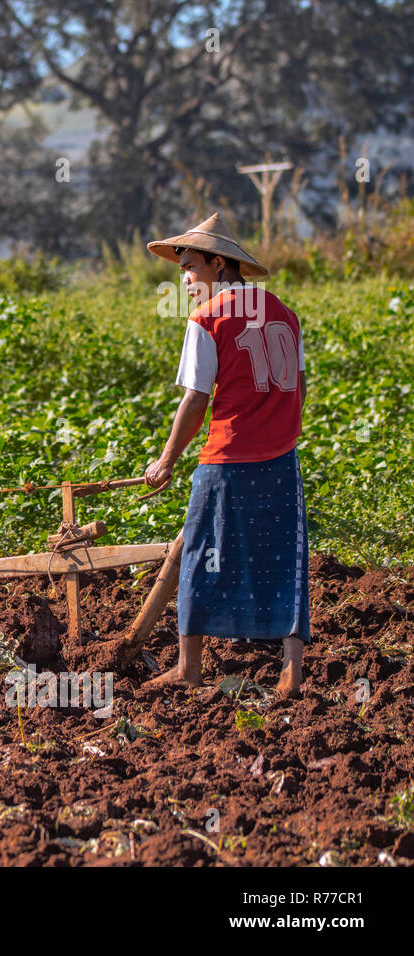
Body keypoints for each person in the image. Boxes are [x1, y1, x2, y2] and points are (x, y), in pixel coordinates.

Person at [141, 212, 309, 697]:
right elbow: (299, 387)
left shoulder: (207, 319)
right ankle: (291, 672)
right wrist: (280, 430)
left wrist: (167, 460)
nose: (186, 279)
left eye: (190, 267)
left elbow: (196, 398)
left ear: (218, 264)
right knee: (286, 557)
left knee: (199, 552)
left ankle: (189, 667)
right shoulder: (284, 313)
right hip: (282, 459)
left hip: (227, 461)